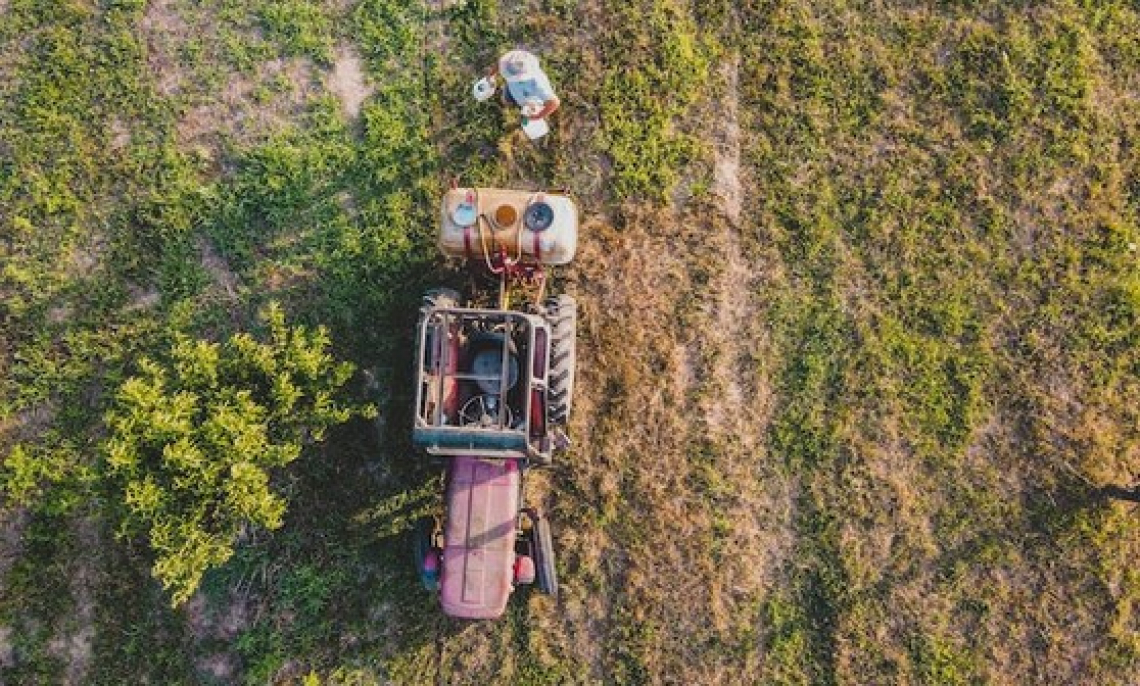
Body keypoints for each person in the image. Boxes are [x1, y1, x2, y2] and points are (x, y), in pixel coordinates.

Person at [486, 49, 560, 121]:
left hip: (531, 100)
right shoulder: (510, 62)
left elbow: (554, 103)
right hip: (512, 87)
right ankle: (510, 101)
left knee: (530, 108)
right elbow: (500, 63)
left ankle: (527, 106)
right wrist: (491, 76)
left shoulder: (538, 84)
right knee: (506, 99)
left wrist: (537, 116)